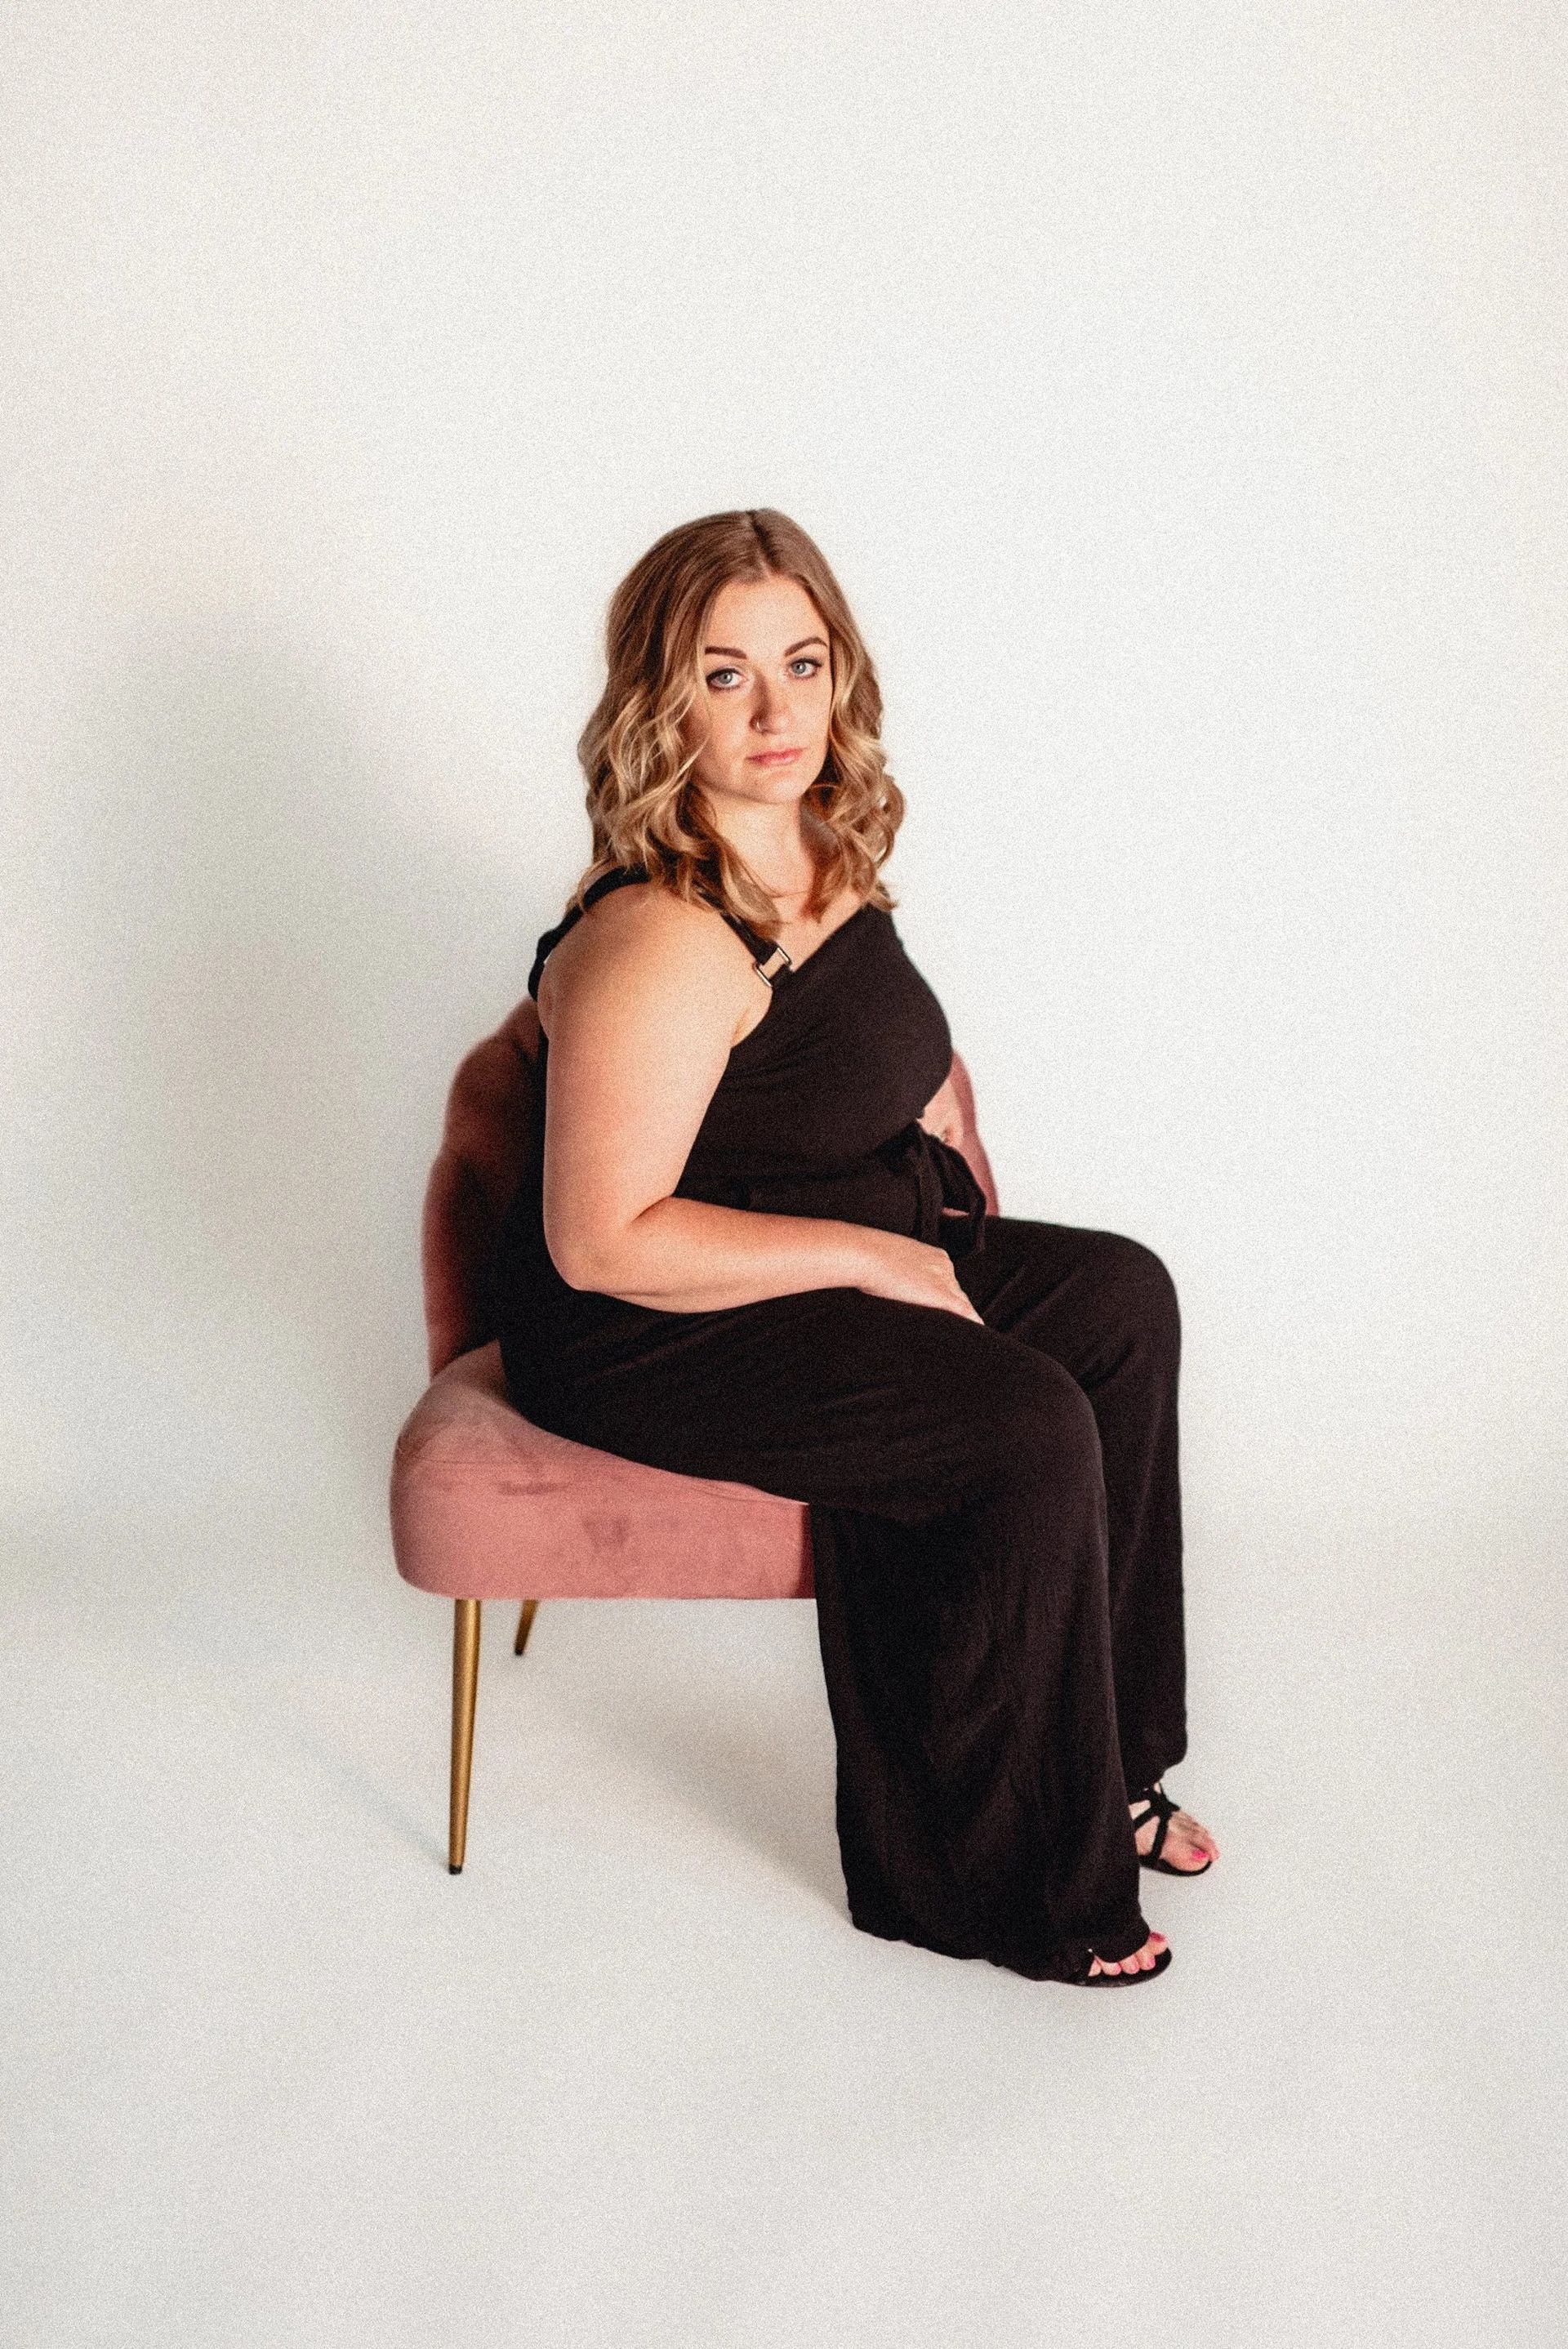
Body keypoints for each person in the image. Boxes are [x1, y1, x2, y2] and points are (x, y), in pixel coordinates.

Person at [488, 507, 1218, 1988]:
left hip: (822, 1222)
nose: (777, 713)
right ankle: (1001, 1882)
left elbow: (834, 1038)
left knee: (1119, 1300)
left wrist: (922, 1087)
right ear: (657, 697)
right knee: (1016, 1423)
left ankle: (1111, 1760)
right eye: (724, 675)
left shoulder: (819, 834)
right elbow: (601, 1236)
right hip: (650, 1316)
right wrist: (876, 1262)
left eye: (803, 663)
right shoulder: (659, 937)